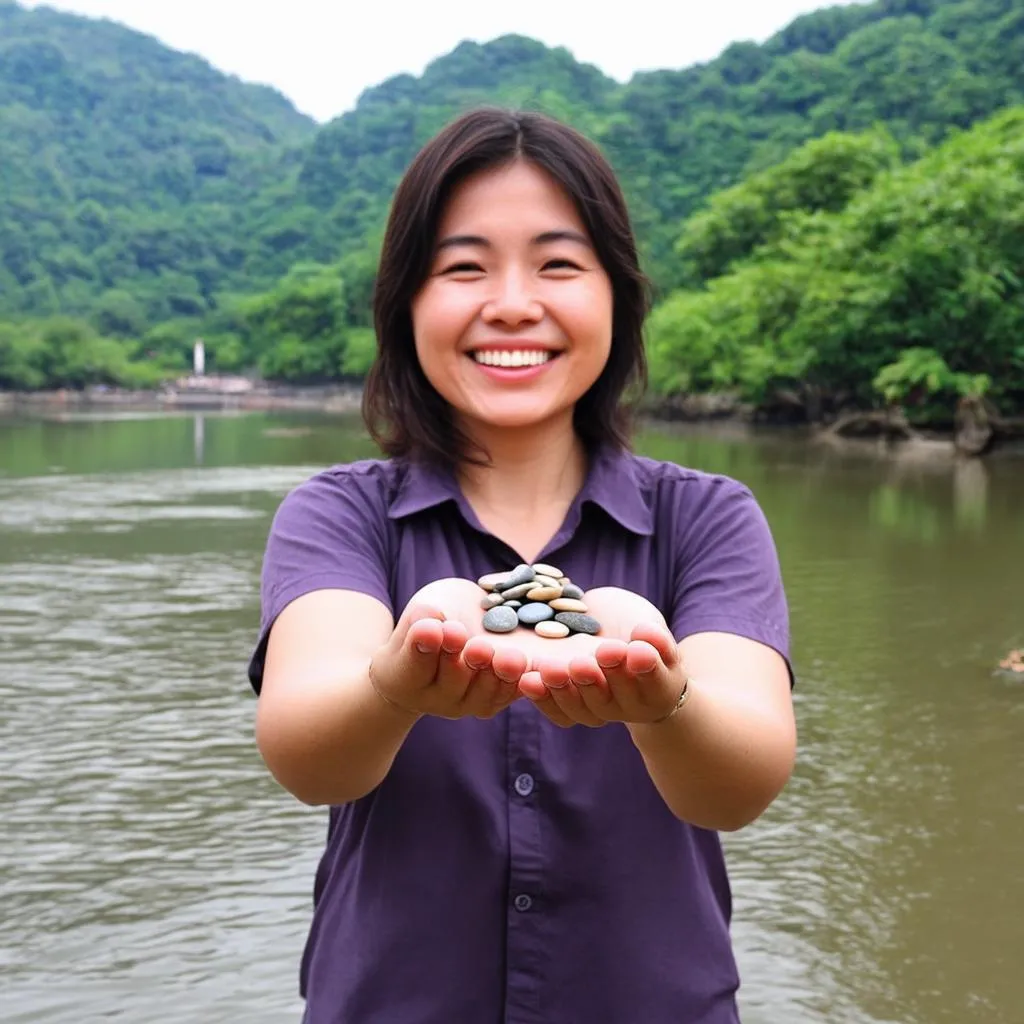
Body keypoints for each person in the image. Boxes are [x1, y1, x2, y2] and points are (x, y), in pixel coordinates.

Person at [247, 107, 796, 1024]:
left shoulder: (707, 518)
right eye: (463, 266)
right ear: (406, 303)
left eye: (558, 264)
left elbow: (742, 783)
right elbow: (309, 757)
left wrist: (664, 701)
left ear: (616, 297)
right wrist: (395, 685)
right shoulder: (340, 514)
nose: (510, 302)